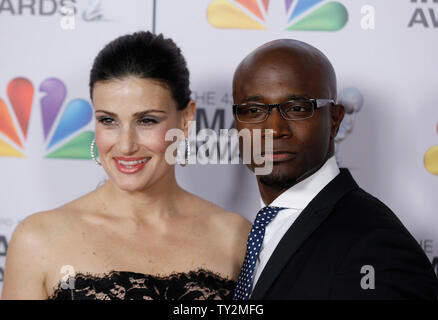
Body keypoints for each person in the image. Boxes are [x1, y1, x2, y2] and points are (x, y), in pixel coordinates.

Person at [1, 31, 251, 300]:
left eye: (147, 121)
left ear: (186, 119)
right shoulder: (38, 239)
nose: (125, 146)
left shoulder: (235, 237)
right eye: (108, 121)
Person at [231, 39, 438, 300]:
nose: (274, 129)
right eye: (253, 110)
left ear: (335, 119)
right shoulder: (246, 233)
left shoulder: (376, 245)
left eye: (297, 108)